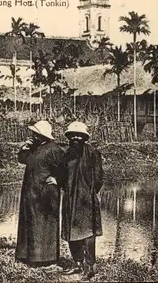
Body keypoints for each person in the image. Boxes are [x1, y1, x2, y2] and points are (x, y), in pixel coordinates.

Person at [15, 120, 66, 268]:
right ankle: (27, 255)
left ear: (41, 135)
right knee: (29, 222)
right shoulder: (34, 148)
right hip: (31, 192)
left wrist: (57, 180)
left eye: (35, 133)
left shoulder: (54, 150)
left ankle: (45, 258)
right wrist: (24, 148)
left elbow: (65, 169)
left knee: (44, 225)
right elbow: (22, 160)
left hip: (46, 194)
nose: (33, 135)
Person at [61, 121, 104, 280]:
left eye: (79, 135)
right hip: (70, 199)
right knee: (71, 232)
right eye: (73, 135)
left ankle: (90, 266)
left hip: (86, 199)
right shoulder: (67, 154)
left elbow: (99, 178)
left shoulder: (93, 153)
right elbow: (62, 175)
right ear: (69, 137)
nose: (76, 138)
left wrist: (91, 193)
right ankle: (77, 263)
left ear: (85, 137)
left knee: (87, 233)